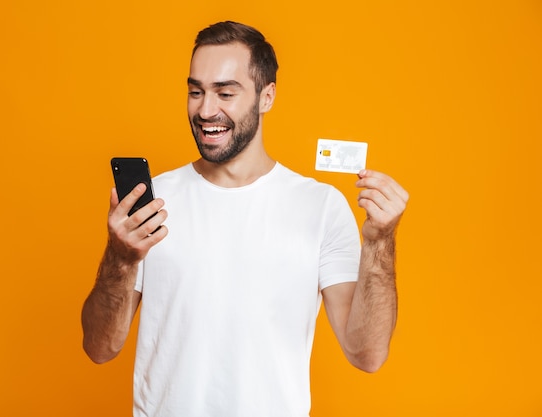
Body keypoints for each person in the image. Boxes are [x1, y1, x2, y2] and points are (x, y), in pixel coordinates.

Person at [82, 21, 409, 417]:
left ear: (266, 96)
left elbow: (367, 353)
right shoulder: (152, 202)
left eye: (225, 92)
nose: (205, 110)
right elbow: (100, 347)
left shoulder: (321, 206)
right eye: (195, 91)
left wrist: (380, 242)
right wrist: (120, 257)